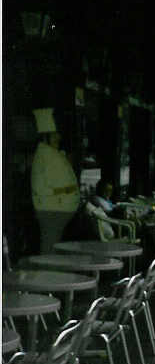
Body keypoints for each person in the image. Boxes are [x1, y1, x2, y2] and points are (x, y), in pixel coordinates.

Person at [31, 108, 80, 254]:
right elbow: (41, 189)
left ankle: (49, 273)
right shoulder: (43, 156)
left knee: (52, 248)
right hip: (51, 211)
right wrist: (65, 190)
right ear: (45, 137)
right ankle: (46, 275)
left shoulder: (51, 153)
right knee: (49, 249)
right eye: (54, 135)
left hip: (56, 211)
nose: (58, 138)